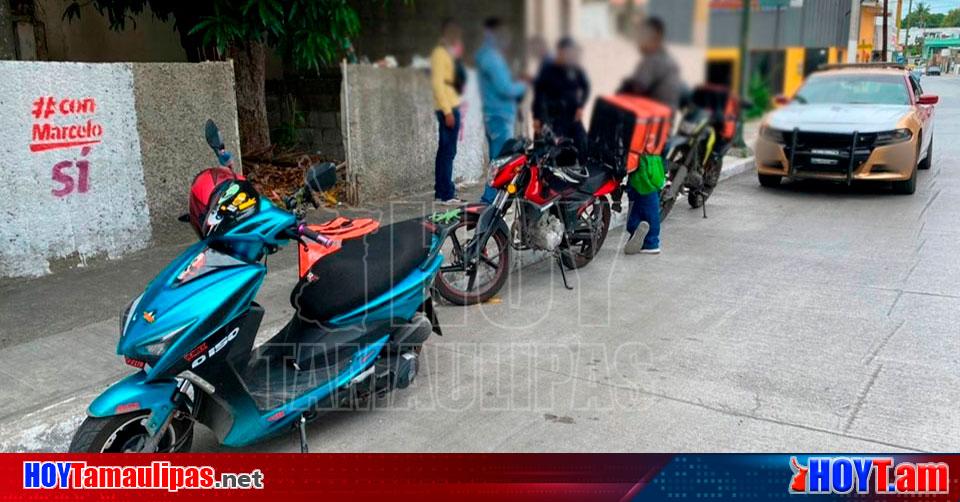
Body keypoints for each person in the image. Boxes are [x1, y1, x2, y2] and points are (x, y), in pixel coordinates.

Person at [618, 16, 681, 255]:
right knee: (643, 183)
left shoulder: (652, 62)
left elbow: (635, 89)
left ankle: (650, 238)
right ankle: (638, 230)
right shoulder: (667, 62)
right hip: (660, 130)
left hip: (648, 133)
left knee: (643, 183)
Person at [476, 16, 527, 204]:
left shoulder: (489, 56)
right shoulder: (492, 58)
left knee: (496, 162)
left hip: (495, 115)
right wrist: (523, 85)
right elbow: (505, 88)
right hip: (499, 115)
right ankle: (489, 204)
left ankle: (492, 202)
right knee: (501, 163)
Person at [532, 37, 590, 158]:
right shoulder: (547, 70)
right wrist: (537, 118)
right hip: (553, 116)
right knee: (551, 150)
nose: (569, 56)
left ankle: (582, 172)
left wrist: (581, 106)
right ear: (559, 52)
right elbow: (538, 94)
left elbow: (586, 87)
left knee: (583, 142)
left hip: (572, 115)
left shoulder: (575, 69)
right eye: (566, 52)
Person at [430, 18, 466, 205]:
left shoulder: (449, 53)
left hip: (452, 105)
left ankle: (441, 192)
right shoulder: (439, 53)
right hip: (448, 108)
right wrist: (447, 111)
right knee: (447, 151)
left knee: (445, 151)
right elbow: (438, 84)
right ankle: (446, 194)